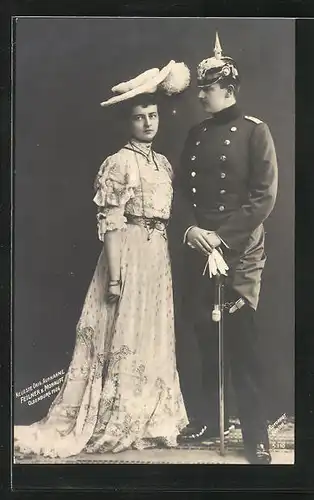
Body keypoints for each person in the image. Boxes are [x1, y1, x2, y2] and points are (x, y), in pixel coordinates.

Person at [14, 61, 191, 459]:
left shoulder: (160, 163)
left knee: (150, 333)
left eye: (152, 115)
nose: (147, 123)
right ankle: (114, 415)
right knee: (120, 331)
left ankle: (148, 419)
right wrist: (114, 275)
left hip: (156, 254)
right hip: (126, 252)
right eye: (139, 117)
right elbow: (110, 222)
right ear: (126, 123)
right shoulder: (120, 163)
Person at [174, 33, 278, 464]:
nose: (200, 95)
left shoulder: (256, 132)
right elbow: (178, 191)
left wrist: (224, 237)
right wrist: (190, 230)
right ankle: (209, 420)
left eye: (207, 89)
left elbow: (264, 196)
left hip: (238, 249)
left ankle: (255, 434)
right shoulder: (196, 134)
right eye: (199, 87)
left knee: (242, 342)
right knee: (203, 335)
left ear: (228, 90)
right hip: (200, 246)